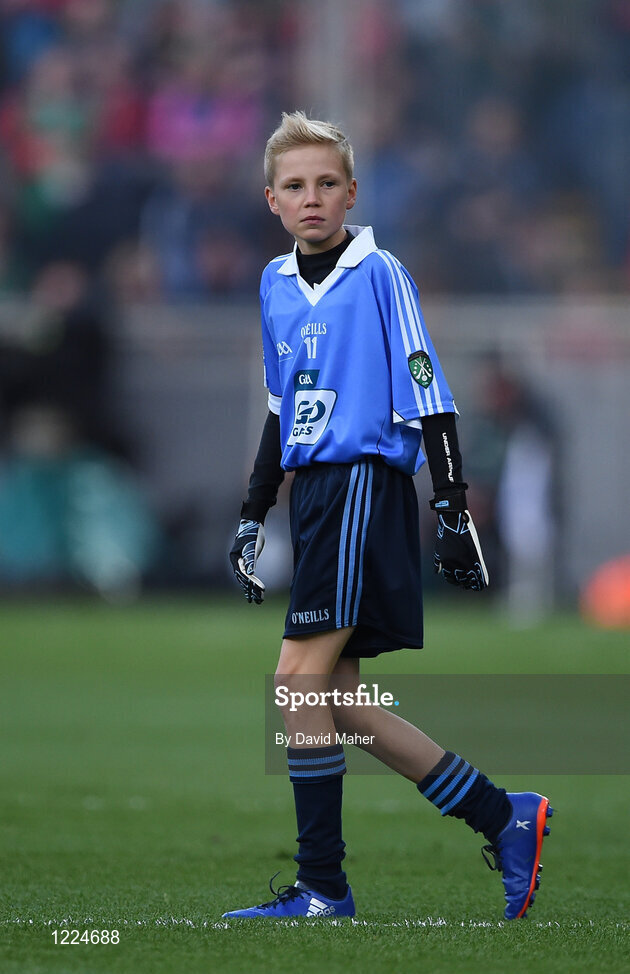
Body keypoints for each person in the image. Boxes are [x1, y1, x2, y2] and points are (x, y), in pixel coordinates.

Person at [226, 112, 552, 921]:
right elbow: (281, 409)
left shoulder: (381, 274)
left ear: (352, 193)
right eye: (295, 186)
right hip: (313, 498)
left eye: (327, 183)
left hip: (365, 485)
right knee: (336, 702)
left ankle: (323, 887)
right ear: (272, 199)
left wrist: (449, 508)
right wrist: (252, 511)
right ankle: (502, 815)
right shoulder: (272, 285)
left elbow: (431, 397)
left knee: (293, 686)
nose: (312, 198)